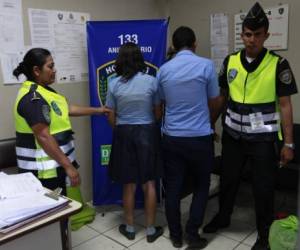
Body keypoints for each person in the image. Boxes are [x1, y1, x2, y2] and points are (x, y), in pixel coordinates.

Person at [203, 3, 298, 250]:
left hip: (264, 142)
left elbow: (286, 105)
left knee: (263, 188)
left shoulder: (278, 64)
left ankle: (264, 234)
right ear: (242, 34)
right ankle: (223, 217)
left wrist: (288, 144)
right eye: (247, 34)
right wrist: (210, 123)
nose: (251, 39)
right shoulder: (231, 61)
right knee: (229, 181)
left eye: (257, 35)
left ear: (266, 35)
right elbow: (222, 97)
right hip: (233, 137)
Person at [13, 48, 110, 194]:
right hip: (44, 174)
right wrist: (68, 167)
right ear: (36, 70)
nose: (54, 70)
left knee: (63, 208)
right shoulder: (34, 99)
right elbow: (43, 136)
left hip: (55, 167)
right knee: (52, 212)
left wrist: (98, 110)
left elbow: (66, 109)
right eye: (50, 66)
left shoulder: (45, 91)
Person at [157, 26, 219, 249]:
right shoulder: (206, 65)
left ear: (173, 47)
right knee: (202, 185)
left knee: (173, 188)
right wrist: (209, 123)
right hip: (200, 137)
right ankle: (193, 234)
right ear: (195, 44)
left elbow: (160, 104)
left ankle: (175, 235)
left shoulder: (163, 71)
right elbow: (215, 100)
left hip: (172, 138)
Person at [105, 42, 163, 243]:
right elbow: (158, 113)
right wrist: (145, 124)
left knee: (128, 184)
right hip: (147, 132)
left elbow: (110, 116)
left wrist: (122, 128)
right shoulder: (151, 81)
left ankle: (129, 228)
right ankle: (150, 230)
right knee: (149, 183)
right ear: (140, 59)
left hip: (123, 133)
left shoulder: (114, 84)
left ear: (119, 60)